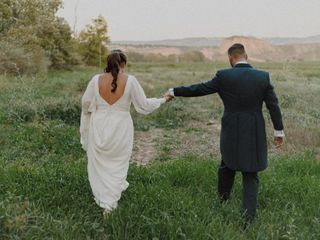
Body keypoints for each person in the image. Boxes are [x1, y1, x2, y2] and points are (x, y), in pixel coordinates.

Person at [165, 43, 285, 225]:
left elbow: (200, 89)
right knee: (251, 173)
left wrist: (175, 91)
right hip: (254, 129)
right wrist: (279, 131)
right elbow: (273, 106)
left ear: (231, 58)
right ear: (247, 56)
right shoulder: (263, 77)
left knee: (227, 164)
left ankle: (223, 200)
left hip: (231, 128)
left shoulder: (224, 76)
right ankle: (248, 220)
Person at [80, 50, 171, 216]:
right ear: (123, 64)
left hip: (99, 125)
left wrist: (96, 110)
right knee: (118, 163)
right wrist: (163, 99)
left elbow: (86, 104)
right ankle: (110, 202)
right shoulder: (131, 80)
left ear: (108, 63)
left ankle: (104, 198)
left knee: (100, 164)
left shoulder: (95, 80)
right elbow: (143, 105)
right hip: (121, 127)